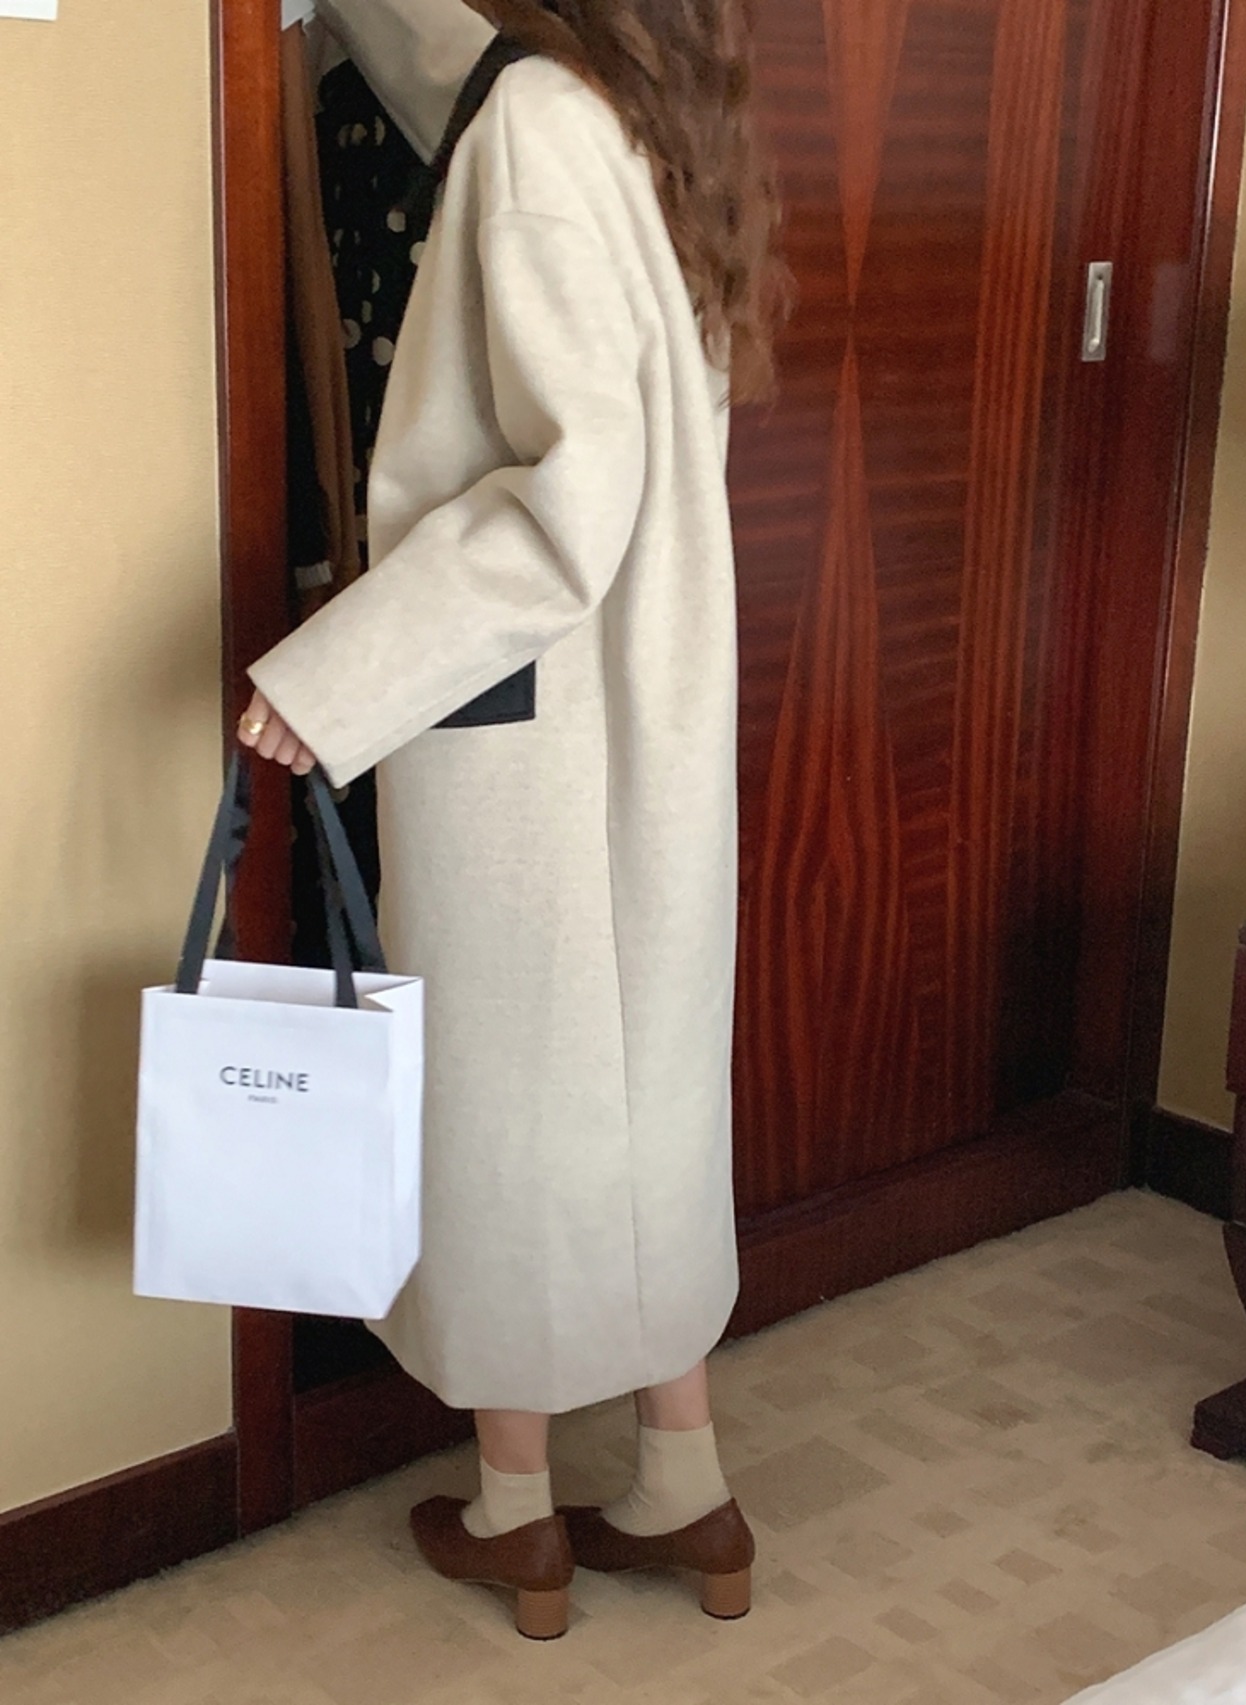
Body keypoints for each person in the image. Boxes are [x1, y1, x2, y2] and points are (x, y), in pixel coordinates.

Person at [238, 0, 787, 1642]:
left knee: (507, 1110)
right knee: (641, 1098)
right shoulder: (651, 123)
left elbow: (569, 496)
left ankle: (514, 1510)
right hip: (643, 700)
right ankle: (685, 1484)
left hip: (535, 713)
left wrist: (341, 673)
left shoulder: (535, 122)